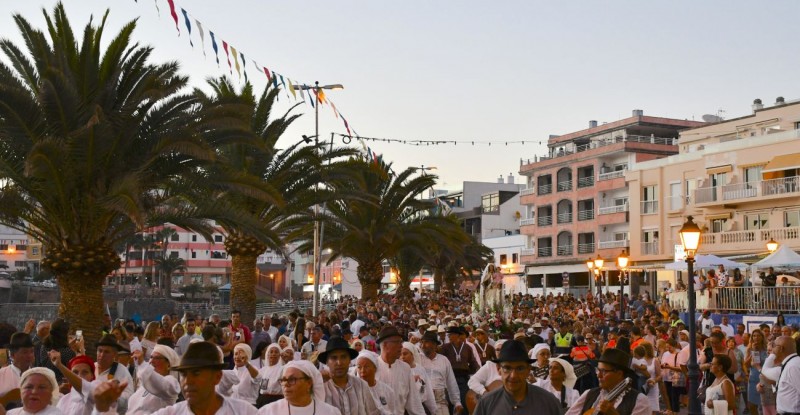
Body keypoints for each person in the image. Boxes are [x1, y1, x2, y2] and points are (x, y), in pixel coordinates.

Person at [92, 341, 258, 414]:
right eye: (184, 374)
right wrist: (103, 408)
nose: (188, 381)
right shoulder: (172, 413)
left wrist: (142, 364)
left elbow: (160, 384)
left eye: (196, 373)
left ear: (217, 377)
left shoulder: (243, 412)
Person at [473, 340, 562, 415]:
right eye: (507, 368)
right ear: (499, 369)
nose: (513, 375)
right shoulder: (486, 403)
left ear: (528, 370)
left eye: (520, 368)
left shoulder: (549, 402)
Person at [565, 348, 650, 415]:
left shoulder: (639, 400)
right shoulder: (589, 394)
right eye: (598, 370)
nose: (598, 375)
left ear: (619, 374)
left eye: (603, 371)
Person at [318, 336, 378, 415]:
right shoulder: (320, 389)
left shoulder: (361, 385)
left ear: (349, 360)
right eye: (334, 358)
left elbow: (373, 412)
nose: (339, 363)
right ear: (327, 362)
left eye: (343, 357)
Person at [258, 360, 341, 415]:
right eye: (283, 380)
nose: (286, 384)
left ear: (309, 383)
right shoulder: (268, 412)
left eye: (292, 379)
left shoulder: (330, 412)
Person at [374, 326, 425, 415]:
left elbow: (414, 403)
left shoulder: (405, 368)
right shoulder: (372, 367)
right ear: (385, 345)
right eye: (397, 342)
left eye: (401, 342)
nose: (401, 346)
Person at [126, 344, 181, 413]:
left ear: (168, 364)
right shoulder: (145, 385)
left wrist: (142, 363)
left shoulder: (172, 382)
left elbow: (161, 385)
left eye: (157, 358)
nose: (151, 361)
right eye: (151, 357)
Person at [419, 330, 462, 415]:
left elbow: (451, 382)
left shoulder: (443, 360)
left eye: (426, 342)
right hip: (422, 404)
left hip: (440, 402)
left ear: (434, 344)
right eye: (422, 342)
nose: (423, 346)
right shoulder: (418, 359)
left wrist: (457, 402)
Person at [760, 335, 800, 415]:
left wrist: (773, 354)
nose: (772, 350)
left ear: (781, 348)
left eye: (774, 346)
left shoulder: (793, 366)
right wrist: (774, 352)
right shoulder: (790, 363)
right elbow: (765, 370)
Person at [0, 333, 35, 408]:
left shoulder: (39, 375)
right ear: (12, 355)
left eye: (32, 351)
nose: (30, 355)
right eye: (25, 352)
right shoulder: (1, 374)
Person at [355, 351, 395, 415]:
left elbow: (392, 411)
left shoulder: (387, 391)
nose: (362, 371)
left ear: (375, 368)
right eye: (359, 367)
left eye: (366, 367)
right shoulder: (353, 391)